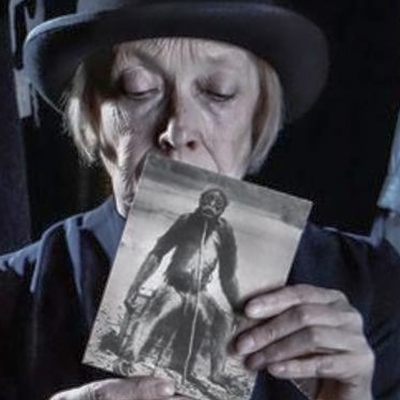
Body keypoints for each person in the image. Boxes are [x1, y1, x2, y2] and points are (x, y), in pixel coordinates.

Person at [0, 0, 399, 399]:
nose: (177, 130)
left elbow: (226, 272)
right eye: (139, 90)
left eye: (218, 92)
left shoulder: (375, 285)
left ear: (258, 118)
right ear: (94, 117)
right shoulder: (13, 292)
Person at [115, 187, 239, 386]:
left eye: (217, 205)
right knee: (152, 314)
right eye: (207, 200)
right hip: (173, 288)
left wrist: (238, 307)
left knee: (223, 321)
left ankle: (217, 373)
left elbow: (228, 276)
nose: (211, 206)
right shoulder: (186, 221)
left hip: (200, 293)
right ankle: (129, 356)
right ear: (200, 201)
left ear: (222, 211)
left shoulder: (225, 232)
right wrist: (135, 286)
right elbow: (157, 253)